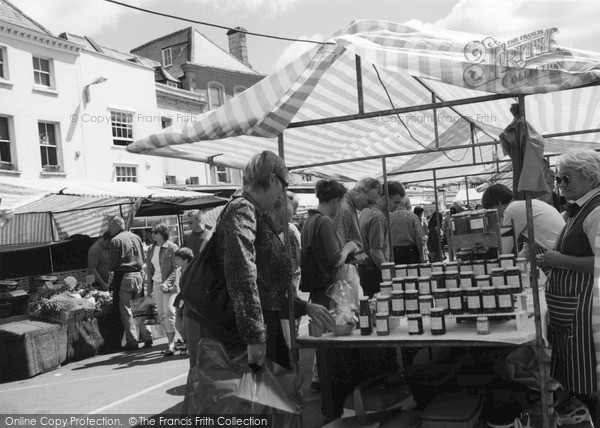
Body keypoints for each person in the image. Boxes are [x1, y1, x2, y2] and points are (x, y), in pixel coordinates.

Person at [183, 150, 334, 372]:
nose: (283, 192)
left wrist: (302, 306)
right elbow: (241, 270)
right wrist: (254, 334)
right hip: (225, 329)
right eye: (284, 186)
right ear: (273, 179)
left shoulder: (253, 212)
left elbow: (264, 286)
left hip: (243, 325)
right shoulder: (242, 208)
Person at [537, 149, 600, 426]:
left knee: (591, 380)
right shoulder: (576, 209)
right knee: (577, 377)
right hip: (570, 308)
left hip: (586, 308)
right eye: (558, 179)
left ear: (590, 177)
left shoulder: (597, 209)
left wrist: (557, 259)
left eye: (566, 178)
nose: (560, 184)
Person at [481, 183, 565, 257]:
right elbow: (528, 250)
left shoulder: (512, 210)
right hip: (561, 249)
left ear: (499, 203)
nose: (494, 215)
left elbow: (505, 249)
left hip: (556, 254)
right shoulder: (526, 205)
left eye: (491, 209)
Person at [107, 216, 151, 351]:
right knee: (140, 308)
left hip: (124, 277)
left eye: (110, 226)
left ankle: (132, 341)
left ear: (117, 225)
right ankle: (148, 337)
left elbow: (112, 263)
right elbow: (143, 258)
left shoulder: (115, 240)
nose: (109, 229)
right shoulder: (136, 237)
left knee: (127, 311)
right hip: (138, 274)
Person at [146, 223, 179, 356]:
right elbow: (149, 270)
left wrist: (168, 283)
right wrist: (149, 289)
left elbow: (177, 268)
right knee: (162, 315)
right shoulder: (150, 249)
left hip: (170, 286)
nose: (153, 234)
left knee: (169, 312)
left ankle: (172, 344)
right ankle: (171, 342)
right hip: (156, 284)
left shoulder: (172, 247)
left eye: (156, 232)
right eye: (152, 232)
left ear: (163, 233)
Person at [333, 177, 382, 260]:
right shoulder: (344, 209)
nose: (370, 207)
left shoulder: (350, 207)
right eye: (369, 202)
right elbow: (338, 248)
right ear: (359, 190)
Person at [357, 179, 388, 298]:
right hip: (374, 270)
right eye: (395, 202)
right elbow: (375, 251)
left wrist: (363, 261)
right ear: (383, 197)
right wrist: (387, 272)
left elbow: (358, 246)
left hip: (365, 269)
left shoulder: (364, 212)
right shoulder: (377, 216)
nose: (398, 207)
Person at [383, 182, 426, 264]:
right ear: (408, 204)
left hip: (393, 252)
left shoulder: (388, 218)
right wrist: (421, 255)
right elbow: (419, 238)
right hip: (410, 252)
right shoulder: (413, 217)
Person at [163, 247, 194, 355]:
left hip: (190, 300)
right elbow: (177, 287)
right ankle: (188, 342)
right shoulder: (177, 271)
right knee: (178, 324)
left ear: (185, 260)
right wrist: (168, 288)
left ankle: (191, 347)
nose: (175, 261)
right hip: (181, 300)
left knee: (187, 324)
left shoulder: (193, 270)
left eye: (177, 259)